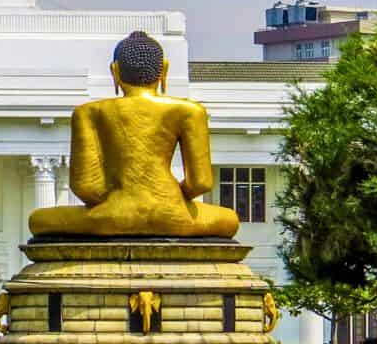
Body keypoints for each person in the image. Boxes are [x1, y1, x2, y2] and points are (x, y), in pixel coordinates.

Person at [28, 31, 240, 238]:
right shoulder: (190, 111)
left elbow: (85, 187)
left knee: (39, 220)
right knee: (229, 218)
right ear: (164, 69)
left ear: (115, 71)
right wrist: (174, 196)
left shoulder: (88, 113)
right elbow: (200, 183)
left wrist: (116, 199)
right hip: (173, 213)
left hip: (110, 215)